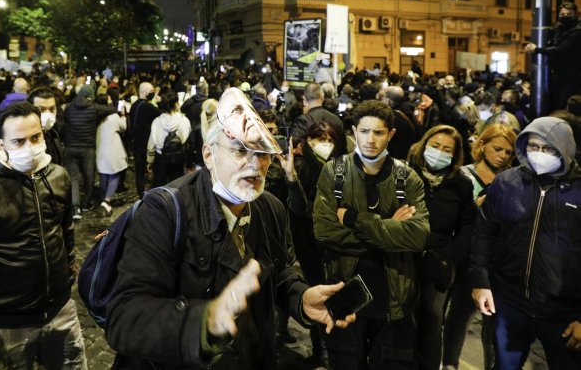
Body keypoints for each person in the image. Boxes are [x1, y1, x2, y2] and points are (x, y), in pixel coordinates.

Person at [106, 88, 355, 369]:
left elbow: (278, 272)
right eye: (239, 150)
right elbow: (124, 317)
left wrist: (301, 298)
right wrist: (205, 321)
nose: (254, 164)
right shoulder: (164, 210)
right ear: (209, 155)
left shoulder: (270, 208)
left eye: (262, 153)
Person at [0, 102, 87, 369]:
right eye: (18, 141)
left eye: (36, 138)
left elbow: (66, 231)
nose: (30, 147)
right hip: (6, 324)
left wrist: (66, 275)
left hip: (60, 311)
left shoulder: (59, 176)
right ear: (1, 144)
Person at [313, 99, 430, 369]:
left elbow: (417, 236)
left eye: (378, 132)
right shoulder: (334, 172)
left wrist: (353, 219)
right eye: (364, 131)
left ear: (391, 134)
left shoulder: (407, 178)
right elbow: (324, 231)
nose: (370, 140)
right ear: (354, 131)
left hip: (394, 295)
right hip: (344, 291)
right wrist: (390, 227)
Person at [471, 116, 581, 370]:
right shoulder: (506, 183)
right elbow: (485, 234)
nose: (539, 154)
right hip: (510, 303)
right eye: (533, 146)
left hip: (564, 313)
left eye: (548, 148)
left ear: (565, 148)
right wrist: (481, 282)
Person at [442, 123, 516, 370]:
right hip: (466, 257)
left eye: (508, 152)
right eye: (498, 149)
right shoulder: (462, 174)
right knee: (460, 313)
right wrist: (476, 206)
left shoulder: (512, 180)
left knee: (493, 320)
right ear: (482, 145)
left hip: (497, 259)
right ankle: (450, 362)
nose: (503, 156)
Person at [406, 125, 476, 370]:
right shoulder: (403, 173)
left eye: (447, 149)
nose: (440, 152)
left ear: (455, 155)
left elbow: (468, 224)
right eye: (435, 146)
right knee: (401, 320)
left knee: (432, 322)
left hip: (438, 262)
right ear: (424, 144)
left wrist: (453, 254)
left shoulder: (461, 184)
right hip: (403, 258)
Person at [293, 120, 339, 366]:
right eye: (320, 140)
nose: (326, 145)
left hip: (328, 239)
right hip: (308, 239)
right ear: (309, 141)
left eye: (330, 141)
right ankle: (322, 349)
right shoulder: (302, 165)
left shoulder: (332, 165)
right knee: (316, 291)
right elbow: (298, 206)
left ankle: (329, 347)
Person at [63, 84, 116, 219]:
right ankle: (86, 203)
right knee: (88, 177)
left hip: (70, 147)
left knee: (73, 178)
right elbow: (111, 109)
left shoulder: (68, 107)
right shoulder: (94, 108)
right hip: (87, 148)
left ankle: (76, 208)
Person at [525, 1, 581, 110]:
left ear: (575, 14)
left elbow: (561, 49)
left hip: (571, 75)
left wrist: (537, 49)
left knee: (561, 103)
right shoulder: (559, 28)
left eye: (569, 14)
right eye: (562, 14)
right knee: (553, 102)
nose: (565, 17)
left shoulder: (578, 30)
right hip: (557, 73)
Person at [147, 90, 191, 187]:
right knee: (176, 186)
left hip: (160, 158)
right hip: (178, 158)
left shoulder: (157, 122)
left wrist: (150, 161)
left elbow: (151, 145)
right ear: (176, 103)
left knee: (160, 185)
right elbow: (186, 139)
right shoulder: (184, 121)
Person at [290, 82, 346, 157]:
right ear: (322, 96)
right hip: (333, 166)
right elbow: (342, 149)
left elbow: (293, 147)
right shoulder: (336, 120)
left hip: (308, 167)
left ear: (304, 98)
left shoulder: (302, 121)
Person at [95, 94, 128, 216]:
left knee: (103, 176)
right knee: (114, 175)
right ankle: (106, 200)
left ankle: (105, 203)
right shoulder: (113, 116)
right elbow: (123, 128)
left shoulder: (96, 117)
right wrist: (123, 116)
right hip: (112, 150)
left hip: (100, 150)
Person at [129, 82, 161, 197]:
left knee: (139, 170)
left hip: (136, 141)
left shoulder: (134, 106)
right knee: (151, 167)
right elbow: (161, 115)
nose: (153, 94)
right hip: (146, 143)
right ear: (144, 92)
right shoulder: (148, 107)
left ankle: (141, 192)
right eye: (151, 92)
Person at [28, 87, 64, 166]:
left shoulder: (53, 134)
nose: (48, 115)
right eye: (41, 109)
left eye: (52, 109)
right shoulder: (25, 141)